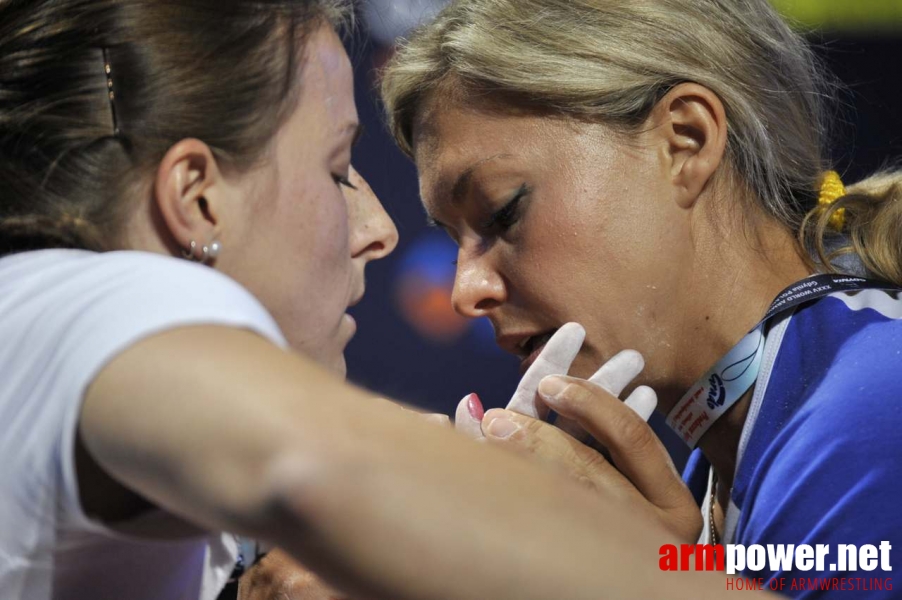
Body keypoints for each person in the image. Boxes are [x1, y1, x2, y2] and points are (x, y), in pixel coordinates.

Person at [0, 1, 744, 599]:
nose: (377, 229)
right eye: (335, 170)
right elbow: (314, 470)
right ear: (196, 199)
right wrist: (507, 535)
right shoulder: (76, 298)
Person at [379, 0, 902, 594]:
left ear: (685, 140)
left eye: (504, 210)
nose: (465, 291)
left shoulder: (875, 409)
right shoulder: (721, 461)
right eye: (455, 245)